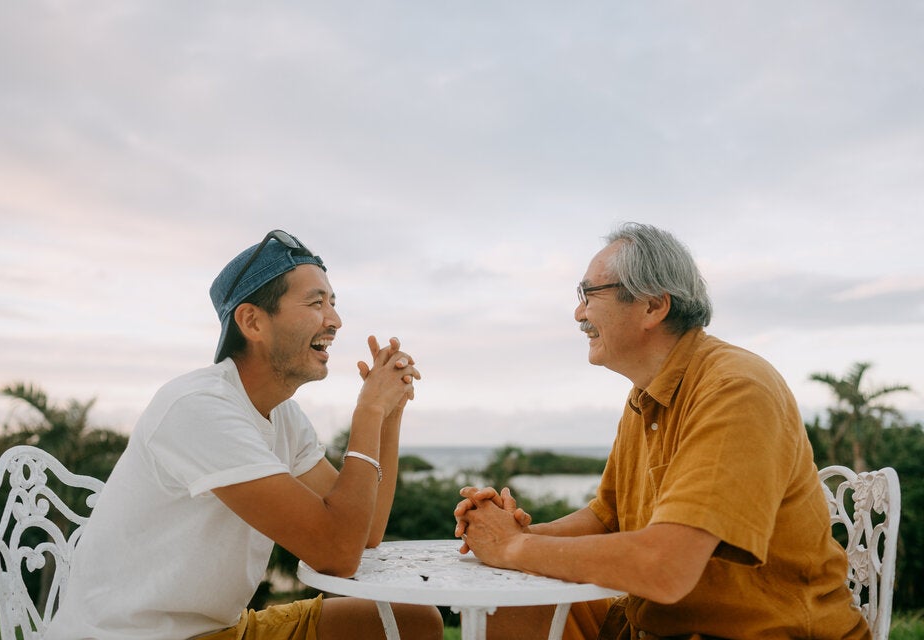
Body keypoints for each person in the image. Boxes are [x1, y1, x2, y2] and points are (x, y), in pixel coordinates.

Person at [454, 223, 870, 639]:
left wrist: (514, 548)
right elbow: (607, 518)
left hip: (760, 631)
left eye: (588, 295)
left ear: (653, 306)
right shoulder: (644, 396)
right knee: (505, 612)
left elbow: (667, 567)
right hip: (649, 624)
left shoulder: (736, 388)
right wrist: (515, 532)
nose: (579, 313)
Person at [47, 230, 443, 640]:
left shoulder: (283, 415)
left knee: (411, 621)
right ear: (252, 321)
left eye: (333, 303)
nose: (335, 320)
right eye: (315, 302)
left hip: (225, 629)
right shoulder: (198, 408)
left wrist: (389, 416)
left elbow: (366, 532)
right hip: (137, 635)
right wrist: (368, 409)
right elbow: (337, 554)